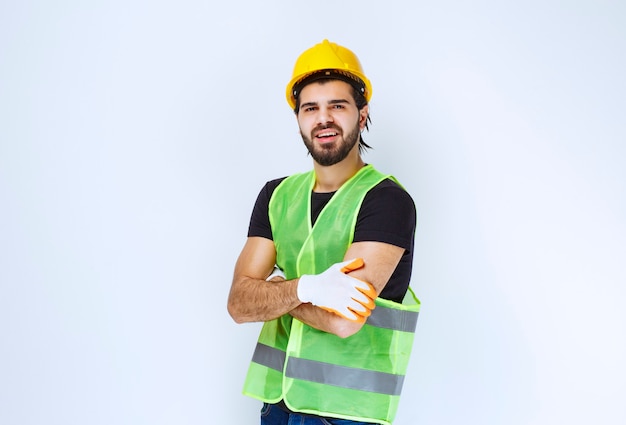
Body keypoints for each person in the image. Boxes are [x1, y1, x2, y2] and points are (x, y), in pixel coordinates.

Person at [227, 39, 421, 425]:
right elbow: (238, 303)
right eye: (311, 108)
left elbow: (344, 320)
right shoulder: (276, 195)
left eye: (338, 105)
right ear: (298, 118)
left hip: (347, 415)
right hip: (276, 406)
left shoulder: (386, 201)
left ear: (361, 114)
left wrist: (278, 290)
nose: (323, 118)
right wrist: (308, 290)